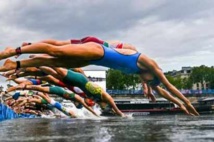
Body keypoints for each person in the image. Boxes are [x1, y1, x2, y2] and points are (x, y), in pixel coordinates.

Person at [0, 39, 199, 116]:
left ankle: (16, 65)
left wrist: (179, 105)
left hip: (95, 58)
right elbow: (170, 87)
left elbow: (165, 93)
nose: (148, 85)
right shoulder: (150, 65)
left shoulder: (144, 76)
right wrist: (186, 103)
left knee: (54, 62)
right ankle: (14, 52)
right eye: (148, 83)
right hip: (98, 51)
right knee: (55, 51)